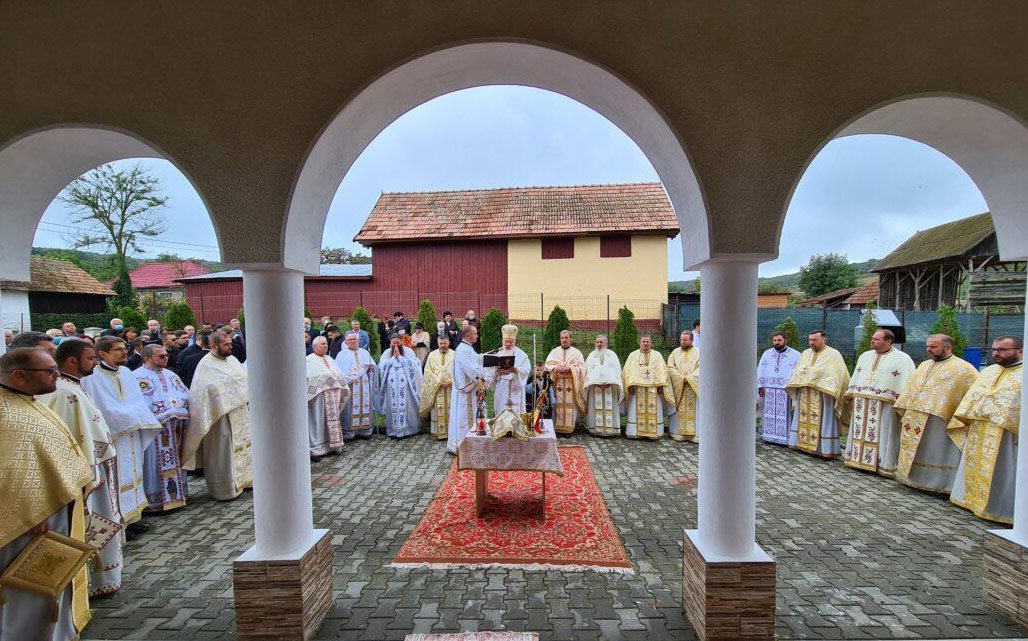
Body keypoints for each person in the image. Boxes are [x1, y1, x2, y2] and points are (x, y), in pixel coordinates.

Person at [0, 348, 94, 641]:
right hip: (27, 524)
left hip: (51, 510)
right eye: (49, 371)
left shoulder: (26, 401)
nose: (57, 375)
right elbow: (9, 472)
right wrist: (29, 516)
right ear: (19, 376)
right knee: (28, 591)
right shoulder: (5, 414)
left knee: (52, 584)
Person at [38, 338, 123, 598]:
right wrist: (90, 472)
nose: (95, 363)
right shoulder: (66, 393)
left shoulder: (72, 386)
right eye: (91, 358)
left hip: (96, 467)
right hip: (88, 473)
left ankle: (101, 577)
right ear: (73, 361)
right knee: (92, 524)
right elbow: (74, 438)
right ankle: (94, 581)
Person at [80, 336, 162, 532]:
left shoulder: (126, 372)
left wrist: (135, 417)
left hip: (132, 431)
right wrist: (132, 416)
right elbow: (102, 409)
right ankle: (120, 522)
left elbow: (137, 402)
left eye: (124, 348)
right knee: (115, 478)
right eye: (118, 349)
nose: (124, 352)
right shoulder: (91, 377)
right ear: (102, 354)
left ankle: (133, 518)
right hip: (114, 435)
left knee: (134, 472)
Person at [949, 335, 1023, 523]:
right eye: (994, 349)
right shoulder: (989, 371)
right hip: (979, 429)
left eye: (1002, 350)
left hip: (1006, 433)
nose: (996, 353)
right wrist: (965, 421)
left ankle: (998, 509)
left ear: (1020, 351)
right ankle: (971, 501)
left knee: (1003, 470)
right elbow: (973, 398)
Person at [892, 334, 978, 494]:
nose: (928, 350)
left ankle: (940, 484)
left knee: (936, 451)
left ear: (947, 347)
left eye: (933, 347)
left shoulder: (965, 369)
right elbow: (912, 388)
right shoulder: (924, 365)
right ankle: (912, 479)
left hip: (940, 420)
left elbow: (973, 396)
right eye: (927, 346)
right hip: (915, 417)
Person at [181, 330, 253, 501]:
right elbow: (205, 391)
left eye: (230, 343)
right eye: (226, 345)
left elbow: (244, 380)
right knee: (223, 451)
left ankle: (245, 481)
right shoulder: (206, 364)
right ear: (214, 346)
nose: (230, 347)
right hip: (220, 415)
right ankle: (225, 489)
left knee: (245, 447)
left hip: (239, 412)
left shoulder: (233, 360)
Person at [843, 329, 916, 477]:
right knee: (859, 430)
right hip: (862, 403)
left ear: (888, 341)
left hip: (886, 405)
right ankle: (856, 458)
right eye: (872, 338)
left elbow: (907, 383)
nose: (872, 341)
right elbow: (857, 376)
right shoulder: (865, 356)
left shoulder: (903, 359)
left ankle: (883, 464)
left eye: (876, 339)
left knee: (885, 433)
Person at [132, 344, 191, 513]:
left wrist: (177, 406)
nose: (166, 358)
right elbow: (140, 404)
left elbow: (185, 394)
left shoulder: (172, 375)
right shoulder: (136, 378)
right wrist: (168, 407)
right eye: (161, 356)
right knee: (153, 464)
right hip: (154, 431)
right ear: (147, 358)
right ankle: (155, 502)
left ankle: (177, 496)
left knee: (175, 461)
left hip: (174, 429)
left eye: (166, 355)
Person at [785, 330, 850, 458]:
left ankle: (824, 448)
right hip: (805, 393)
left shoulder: (833, 354)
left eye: (815, 340)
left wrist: (813, 375)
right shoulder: (805, 353)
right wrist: (808, 376)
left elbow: (838, 375)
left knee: (824, 420)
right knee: (802, 417)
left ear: (823, 339)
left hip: (823, 395)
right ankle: (802, 444)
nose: (811, 343)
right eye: (810, 340)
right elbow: (798, 371)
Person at [306, 336, 350, 460]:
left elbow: (337, 373)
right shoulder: (309, 360)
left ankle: (333, 446)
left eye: (326, 344)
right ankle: (316, 449)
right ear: (314, 347)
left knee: (331, 421)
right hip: (317, 398)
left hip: (332, 396)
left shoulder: (329, 358)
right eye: (322, 344)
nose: (325, 346)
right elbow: (309, 378)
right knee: (317, 421)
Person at [622, 335, 674, 439]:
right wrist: (629, 385)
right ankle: (634, 432)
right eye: (643, 342)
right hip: (637, 390)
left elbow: (662, 370)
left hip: (653, 390)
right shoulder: (633, 355)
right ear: (640, 343)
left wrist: (661, 385)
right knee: (635, 410)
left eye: (647, 342)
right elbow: (627, 371)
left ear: (651, 343)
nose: (645, 343)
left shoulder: (657, 355)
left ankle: (655, 433)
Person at [756, 331, 802, 446]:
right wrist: (760, 386)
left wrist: (794, 388)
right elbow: (760, 369)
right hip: (769, 389)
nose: (776, 342)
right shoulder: (767, 354)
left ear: (785, 340)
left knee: (785, 414)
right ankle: (768, 436)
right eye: (774, 340)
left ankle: (785, 438)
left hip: (785, 390)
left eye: (779, 340)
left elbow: (799, 372)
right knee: (769, 412)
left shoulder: (796, 355)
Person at [375, 334, 423, 438]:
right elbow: (381, 366)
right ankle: (393, 430)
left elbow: (415, 365)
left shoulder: (408, 351)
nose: (396, 345)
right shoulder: (387, 352)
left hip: (407, 387)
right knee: (392, 407)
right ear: (390, 343)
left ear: (402, 342)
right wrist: (393, 358)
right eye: (394, 343)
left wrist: (400, 357)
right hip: (391, 387)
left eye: (398, 342)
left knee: (407, 406)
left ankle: (409, 430)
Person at [448, 324, 485, 453]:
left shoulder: (467, 348)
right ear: (468, 335)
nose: (477, 335)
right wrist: (482, 376)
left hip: (469, 390)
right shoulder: (463, 349)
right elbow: (471, 369)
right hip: (466, 392)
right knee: (465, 417)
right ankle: (466, 446)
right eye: (475, 333)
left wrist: (487, 357)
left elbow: (476, 360)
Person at [335, 331, 377, 440]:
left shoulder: (364, 352)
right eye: (350, 340)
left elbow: (373, 368)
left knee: (365, 404)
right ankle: (349, 433)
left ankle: (365, 431)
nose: (353, 341)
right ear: (346, 342)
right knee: (350, 407)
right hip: (351, 386)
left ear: (358, 341)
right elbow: (339, 372)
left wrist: (371, 368)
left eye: (354, 339)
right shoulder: (342, 354)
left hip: (364, 384)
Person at [544, 329, 586, 434]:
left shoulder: (577, 353)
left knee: (569, 407)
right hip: (557, 384)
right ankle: (557, 429)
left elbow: (582, 368)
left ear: (570, 339)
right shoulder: (554, 352)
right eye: (562, 338)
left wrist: (571, 368)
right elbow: (547, 366)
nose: (564, 340)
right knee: (557, 404)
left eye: (566, 338)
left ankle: (569, 430)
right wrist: (556, 368)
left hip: (571, 385)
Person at [581, 334, 624, 436]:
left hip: (610, 387)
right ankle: (594, 429)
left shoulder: (612, 355)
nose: (599, 344)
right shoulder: (591, 355)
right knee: (594, 409)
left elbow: (617, 371)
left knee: (610, 408)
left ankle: (611, 429)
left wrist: (609, 382)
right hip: (594, 387)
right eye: (597, 342)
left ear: (606, 343)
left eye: (601, 342)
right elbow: (587, 372)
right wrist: (596, 383)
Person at [487, 324, 531, 414]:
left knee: (515, 413)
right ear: (502, 341)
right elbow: (488, 370)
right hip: (501, 387)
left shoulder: (522, 355)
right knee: (501, 411)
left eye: (510, 342)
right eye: (506, 341)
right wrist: (497, 371)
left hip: (515, 389)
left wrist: (516, 370)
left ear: (515, 341)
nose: (508, 344)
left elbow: (526, 369)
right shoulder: (497, 353)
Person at [666, 330, 701, 442]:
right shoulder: (675, 353)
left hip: (693, 388)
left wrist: (690, 378)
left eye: (685, 340)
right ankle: (677, 432)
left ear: (692, 340)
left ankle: (694, 434)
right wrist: (681, 378)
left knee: (695, 411)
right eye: (681, 340)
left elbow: (702, 368)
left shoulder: (699, 353)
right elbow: (670, 367)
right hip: (679, 387)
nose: (683, 342)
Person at [419, 334, 454, 440]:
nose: (443, 345)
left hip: (451, 388)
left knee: (451, 410)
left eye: (445, 343)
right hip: (437, 388)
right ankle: (439, 433)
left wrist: (451, 381)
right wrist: (439, 382)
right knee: (438, 409)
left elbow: (458, 371)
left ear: (449, 343)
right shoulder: (432, 355)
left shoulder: (455, 354)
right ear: (438, 344)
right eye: (441, 343)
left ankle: (451, 434)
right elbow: (428, 372)